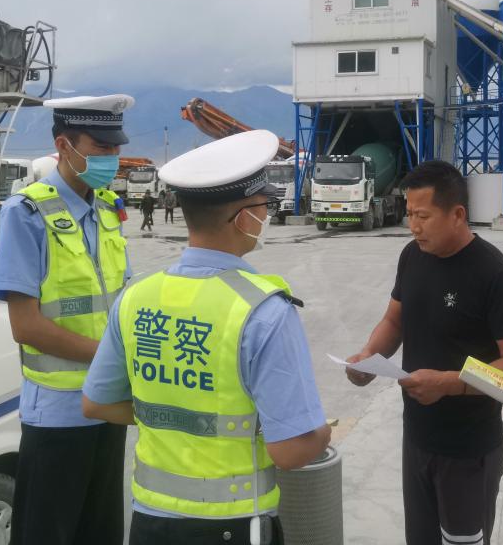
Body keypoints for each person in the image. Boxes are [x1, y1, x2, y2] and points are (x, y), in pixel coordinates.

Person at [82, 129, 330, 545]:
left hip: (149, 523)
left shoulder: (135, 296)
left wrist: (172, 418)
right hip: (233, 525)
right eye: (264, 206)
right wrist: (321, 433)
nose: (267, 216)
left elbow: (97, 403)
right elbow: (291, 450)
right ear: (244, 217)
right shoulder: (263, 311)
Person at [346, 160, 503, 545]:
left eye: (423, 216)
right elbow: (395, 320)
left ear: (457, 215)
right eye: (410, 213)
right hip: (417, 438)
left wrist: (449, 384)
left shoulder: (495, 275)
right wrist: (369, 356)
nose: (413, 226)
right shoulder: (412, 256)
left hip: (469, 449)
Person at [0, 93, 135, 545]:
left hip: (109, 405)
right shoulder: (26, 214)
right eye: (100, 149)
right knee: (47, 534)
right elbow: (26, 327)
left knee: (101, 531)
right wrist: (113, 358)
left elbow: (120, 301)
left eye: (115, 149)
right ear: (64, 146)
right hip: (58, 414)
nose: (111, 158)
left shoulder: (108, 209)